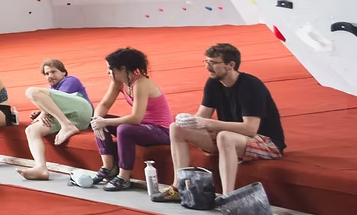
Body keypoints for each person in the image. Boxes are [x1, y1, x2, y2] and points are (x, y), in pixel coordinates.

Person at [161, 43, 286, 201]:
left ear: (230, 65)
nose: (207, 67)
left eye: (213, 63)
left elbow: (250, 129)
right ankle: (178, 187)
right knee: (176, 128)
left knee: (225, 137)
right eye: (206, 62)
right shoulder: (213, 83)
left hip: (266, 142)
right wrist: (187, 120)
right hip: (232, 136)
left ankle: (227, 197)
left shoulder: (251, 86)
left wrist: (206, 123)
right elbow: (202, 116)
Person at [89, 47, 172, 192]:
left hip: (161, 130)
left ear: (123, 69)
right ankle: (108, 167)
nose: (107, 72)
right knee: (100, 120)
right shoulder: (118, 82)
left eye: (110, 69)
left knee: (124, 129)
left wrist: (104, 122)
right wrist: (97, 120)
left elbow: (135, 118)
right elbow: (104, 104)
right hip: (142, 127)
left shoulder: (141, 84)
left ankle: (124, 177)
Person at [17, 58, 93, 181]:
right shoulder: (50, 89)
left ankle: (66, 125)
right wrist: (41, 113)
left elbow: (58, 101)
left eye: (53, 72)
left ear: (63, 72)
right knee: (31, 130)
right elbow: (56, 106)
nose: (50, 76)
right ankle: (41, 168)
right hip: (71, 119)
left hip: (82, 111)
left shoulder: (70, 80)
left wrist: (43, 111)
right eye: (47, 74)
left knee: (31, 91)